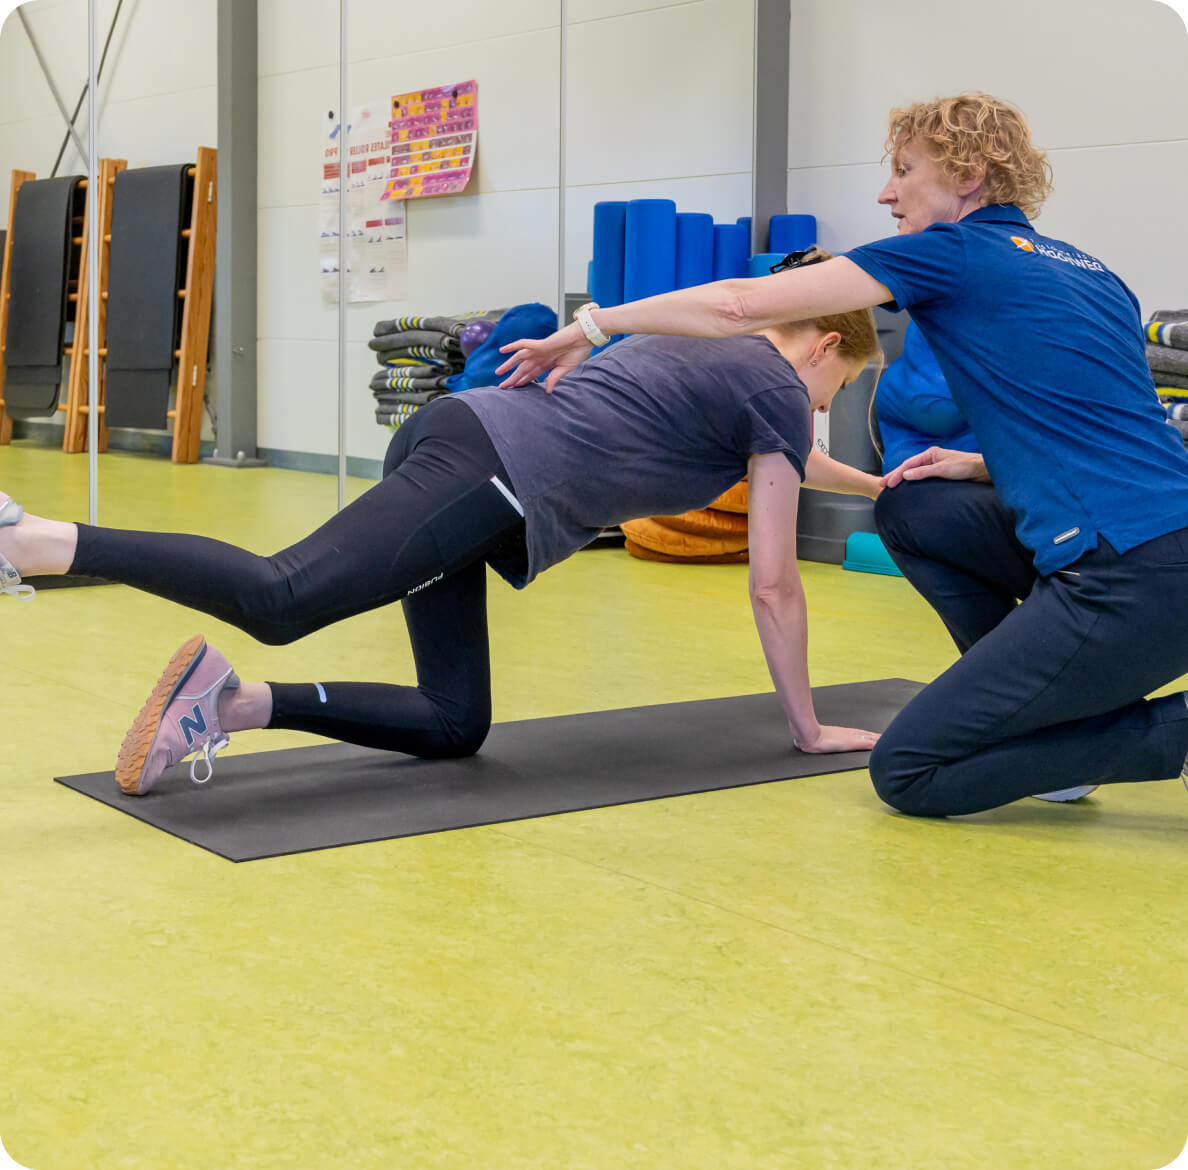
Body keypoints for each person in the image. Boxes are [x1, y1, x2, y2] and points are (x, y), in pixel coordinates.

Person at [498, 92, 1188, 818]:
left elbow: (742, 306)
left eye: (904, 170)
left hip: (1126, 576)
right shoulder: (1095, 274)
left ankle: (1167, 737)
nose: (885, 192)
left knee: (910, 770)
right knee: (914, 506)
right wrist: (982, 466)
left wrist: (594, 324)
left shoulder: (949, 252)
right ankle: (1052, 727)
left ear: (969, 174)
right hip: (1162, 550)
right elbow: (1116, 428)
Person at [0, 262, 883, 796]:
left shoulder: (717, 355)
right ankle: (33, 539)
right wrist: (805, 726)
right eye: (837, 392)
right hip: (490, 473)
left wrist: (876, 483)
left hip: (472, 449)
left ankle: (230, 703)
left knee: (454, 720)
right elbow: (773, 581)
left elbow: (793, 460)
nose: (823, 409)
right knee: (282, 596)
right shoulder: (774, 387)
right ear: (825, 351)